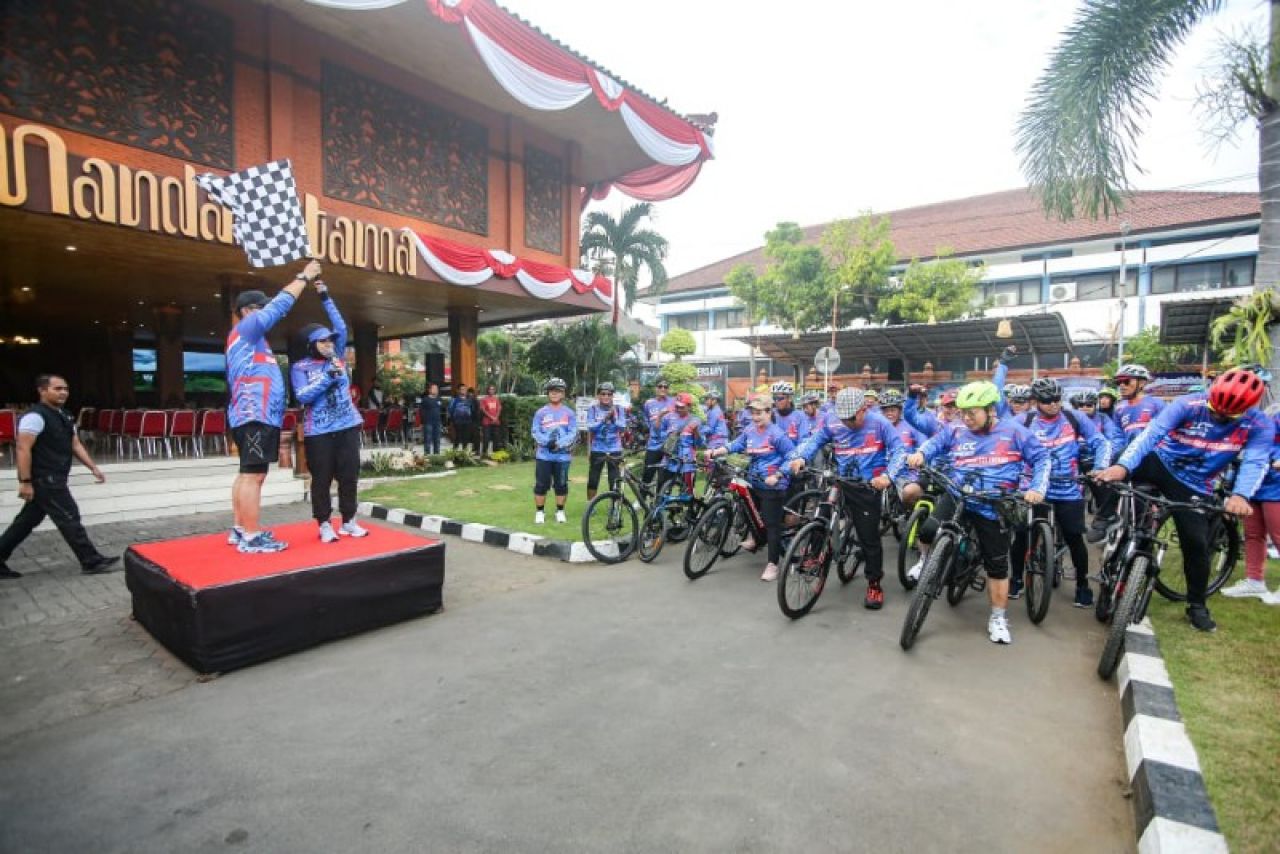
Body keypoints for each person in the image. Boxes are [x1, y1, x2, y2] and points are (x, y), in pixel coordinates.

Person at [1094, 369, 1272, 631]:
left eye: (1227, 416)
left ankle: (1197, 606)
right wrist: (1123, 467)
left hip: (1195, 483)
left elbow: (1256, 462)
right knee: (1113, 468)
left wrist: (1240, 495)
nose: (1218, 418)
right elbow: (1149, 436)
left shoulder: (1259, 425)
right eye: (1214, 410)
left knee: (1196, 545)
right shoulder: (1187, 404)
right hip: (1159, 462)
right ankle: (1107, 518)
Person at [907, 381, 1049, 645]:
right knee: (928, 529)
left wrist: (1037, 488)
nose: (966, 418)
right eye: (963, 412)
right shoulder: (957, 430)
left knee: (996, 564)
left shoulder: (1015, 432)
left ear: (990, 410)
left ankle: (997, 617)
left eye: (972, 413)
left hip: (993, 503)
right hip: (959, 493)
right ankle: (926, 562)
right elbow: (935, 443)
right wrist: (920, 453)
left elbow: (1041, 459)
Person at [227, 258, 319, 553]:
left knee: (248, 473)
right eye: (261, 307)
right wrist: (304, 277)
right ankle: (252, 537)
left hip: (252, 413)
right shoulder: (248, 329)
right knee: (254, 474)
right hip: (255, 414)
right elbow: (280, 305)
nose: (267, 312)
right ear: (248, 312)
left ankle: (241, 530)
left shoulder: (249, 339)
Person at [789, 387, 906, 609]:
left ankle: (874, 583)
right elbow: (814, 441)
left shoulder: (880, 423)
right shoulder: (833, 421)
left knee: (868, 537)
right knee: (821, 510)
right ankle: (814, 553)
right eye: (843, 419)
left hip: (867, 485)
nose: (847, 423)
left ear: (864, 409)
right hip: (841, 480)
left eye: (852, 418)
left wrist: (888, 476)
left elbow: (900, 450)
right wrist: (800, 457)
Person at [0, 375, 119, 578]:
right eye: (57, 389)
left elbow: (75, 444)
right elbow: (22, 448)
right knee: (69, 516)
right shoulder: (35, 417)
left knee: (25, 522)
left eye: (65, 388)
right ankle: (90, 560)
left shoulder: (64, 415)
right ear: (42, 391)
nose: (63, 392)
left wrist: (93, 467)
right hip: (45, 479)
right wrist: (25, 481)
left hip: (56, 476)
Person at [1009, 378, 1110, 606]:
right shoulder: (1024, 420)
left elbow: (1101, 442)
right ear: (1035, 401)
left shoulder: (1075, 418)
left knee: (1075, 538)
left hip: (1068, 487)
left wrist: (1100, 467)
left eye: (1057, 399)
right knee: (1022, 534)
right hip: (1033, 487)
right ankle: (1015, 579)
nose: (1053, 404)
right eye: (1047, 401)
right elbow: (1006, 445)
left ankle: (1082, 585)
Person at [290, 279, 368, 543]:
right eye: (323, 342)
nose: (329, 344)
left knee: (349, 475)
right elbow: (302, 396)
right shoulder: (300, 368)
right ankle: (324, 523)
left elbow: (341, 326)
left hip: (346, 425)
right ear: (312, 345)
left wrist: (325, 294)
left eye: (330, 341)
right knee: (321, 478)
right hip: (318, 431)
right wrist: (327, 378)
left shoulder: (339, 357)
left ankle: (349, 521)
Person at [710, 394, 796, 582]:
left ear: (769, 412)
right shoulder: (750, 430)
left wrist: (778, 475)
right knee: (751, 510)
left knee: (771, 524)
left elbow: (792, 456)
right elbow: (736, 444)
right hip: (754, 479)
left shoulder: (777, 434)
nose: (755, 417)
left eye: (759, 413)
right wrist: (716, 451)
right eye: (753, 413)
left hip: (773, 484)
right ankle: (757, 539)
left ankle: (773, 564)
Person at [1088, 363, 1164, 542]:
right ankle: (1107, 516)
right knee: (1108, 477)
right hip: (1127, 459)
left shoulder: (1156, 404)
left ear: (1142, 383)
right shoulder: (1120, 408)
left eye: (1126, 381)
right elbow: (1117, 437)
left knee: (1143, 516)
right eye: (1118, 382)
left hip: (1152, 457)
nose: (1121, 385)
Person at [1222, 402, 1280, 604]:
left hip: (1277, 486)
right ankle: (1255, 580)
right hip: (1253, 483)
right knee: (1253, 534)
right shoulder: (1266, 413)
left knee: (1278, 534)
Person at [531, 377, 577, 524]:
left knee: (561, 485)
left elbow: (573, 432)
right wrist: (547, 442)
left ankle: (560, 511)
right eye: (552, 391)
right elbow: (535, 431)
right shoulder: (540, 412)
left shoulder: (569, 413)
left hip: (563, 457)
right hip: (544, 456)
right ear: (548, 393)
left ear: (563, 394)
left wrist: (560, 444)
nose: (555, 393)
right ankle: (539, 512)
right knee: (541, 485)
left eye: (558, 391)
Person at [656, 392, 704, 496]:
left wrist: (696, 432)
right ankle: (660, 508)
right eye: (677, 406)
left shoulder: (696, 420)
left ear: (689, 406)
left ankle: (686, 510)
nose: (678, 409)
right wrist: (669, 437)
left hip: (687, 461)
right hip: (669, 459)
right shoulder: (668, 418)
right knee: (663, 487)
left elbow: (700, 443)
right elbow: (660, 433)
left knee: (687, 490)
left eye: (681, 407)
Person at [585, 382, 626, 500]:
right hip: (598, 447)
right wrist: (604, 420)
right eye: (603, 394)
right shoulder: (593, 409)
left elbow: (623, 427)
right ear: (598, 395)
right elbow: (591, 427)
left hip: (614, 448)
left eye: (609, 394)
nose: (606, 396)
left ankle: (614, 506)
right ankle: (590, 504)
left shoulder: (619, 409)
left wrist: (614, 419)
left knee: (614, 479)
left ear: (613, 395)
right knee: (593, 478)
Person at [643, 380, 674, 484]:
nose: (663, 389)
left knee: (663, 478)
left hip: (668, 445)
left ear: (668, 389)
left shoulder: (673, 402)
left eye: (665, 387)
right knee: (647, 475)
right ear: (656, 388)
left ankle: (659, 500)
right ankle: (642, 499)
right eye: (660, 386)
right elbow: (647, 420)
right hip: (653, 445)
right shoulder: (649, 403)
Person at [449, 385, 477, 453]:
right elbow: (450, 410)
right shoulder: (454, 400)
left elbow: (472, 410)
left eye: (464, 389)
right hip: (458, 422)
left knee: (466, 438)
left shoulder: (469, 400)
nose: (463, 391)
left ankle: (464, 454)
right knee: (457, 438)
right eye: (461, 389)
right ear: (458, 391)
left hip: (467, 422)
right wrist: (453, 421)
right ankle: (454, 454)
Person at [479, 385, 503, 456]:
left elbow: (499, 409)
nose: (491, 391)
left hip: (496, 422)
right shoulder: (484, 399)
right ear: (487, 390)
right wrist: (491, 417)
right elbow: (483, 410)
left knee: (496, 439)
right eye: (490, 389)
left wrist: (496, 417)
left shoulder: (496, 399)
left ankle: (496, 455)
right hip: (487, 422)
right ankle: (484, 454)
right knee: (486, 438)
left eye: (493, 389)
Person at [419, 383, 443, 455]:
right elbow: (421, 412)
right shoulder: (425, 400)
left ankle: (437, 455)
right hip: (428, 423)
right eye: (434, 388)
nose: (436, 390)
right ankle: (427, 456)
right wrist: (422, 422)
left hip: (437, 423)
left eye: (437, 389)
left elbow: (440, 411)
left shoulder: (439, 399)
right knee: (428, 440)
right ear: (429, 390)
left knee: (437, 440)